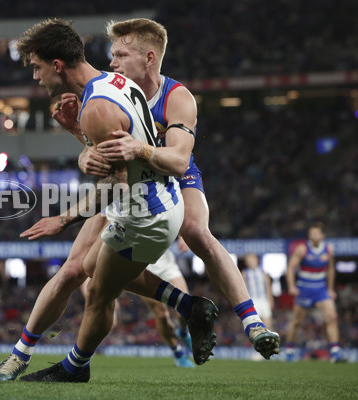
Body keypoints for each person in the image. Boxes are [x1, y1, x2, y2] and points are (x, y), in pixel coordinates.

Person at [9, 18, 217, 383]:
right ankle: (190, 305)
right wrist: (78, 135)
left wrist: (63, 219)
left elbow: (114, 188)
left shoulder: (95, 109)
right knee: (90, 265)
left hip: (142, 214)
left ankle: (75, 367)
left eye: (37, 67)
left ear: (57, 65)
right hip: (163, 197)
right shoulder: (115, 81)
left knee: (99, 295)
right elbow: (123, 145)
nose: (36, 77)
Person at [72, 18, 280, 359]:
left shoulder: (177, 96)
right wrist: (86, 157)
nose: (112, 63)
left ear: (149, 58)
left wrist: (139, 149)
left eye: (121, 55)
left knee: (198, 232)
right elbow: (91, 149)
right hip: (133, 185)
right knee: (91, 268)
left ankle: (252, 322)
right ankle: (190, 306)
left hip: (171, 174)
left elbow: (180, 161)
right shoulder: (108, 91)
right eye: (112, 55)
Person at [285, 222, 345, 363]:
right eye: (311, 233)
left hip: (320, 289)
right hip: (304, 289)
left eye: (316, 233)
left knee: (332, 317)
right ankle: (289, 350)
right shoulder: (302, 249)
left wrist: (330, 289)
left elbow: (330, 269)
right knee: (297, 321)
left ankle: (335, 351)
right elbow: (290, 267)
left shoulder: (328, 249)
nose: (313, 236)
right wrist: (292, 286)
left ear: (322, 235)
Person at [242, 253, 274, 330]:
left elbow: (268, 288)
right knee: (255, 326)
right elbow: (244, 289)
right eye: (248, 261)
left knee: (267, 324)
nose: (251, 262)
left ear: (257, 260)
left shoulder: (263, 272)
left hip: (264, 300)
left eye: (252, 260)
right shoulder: (245, 273)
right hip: (252, 301)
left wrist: (271, 300)